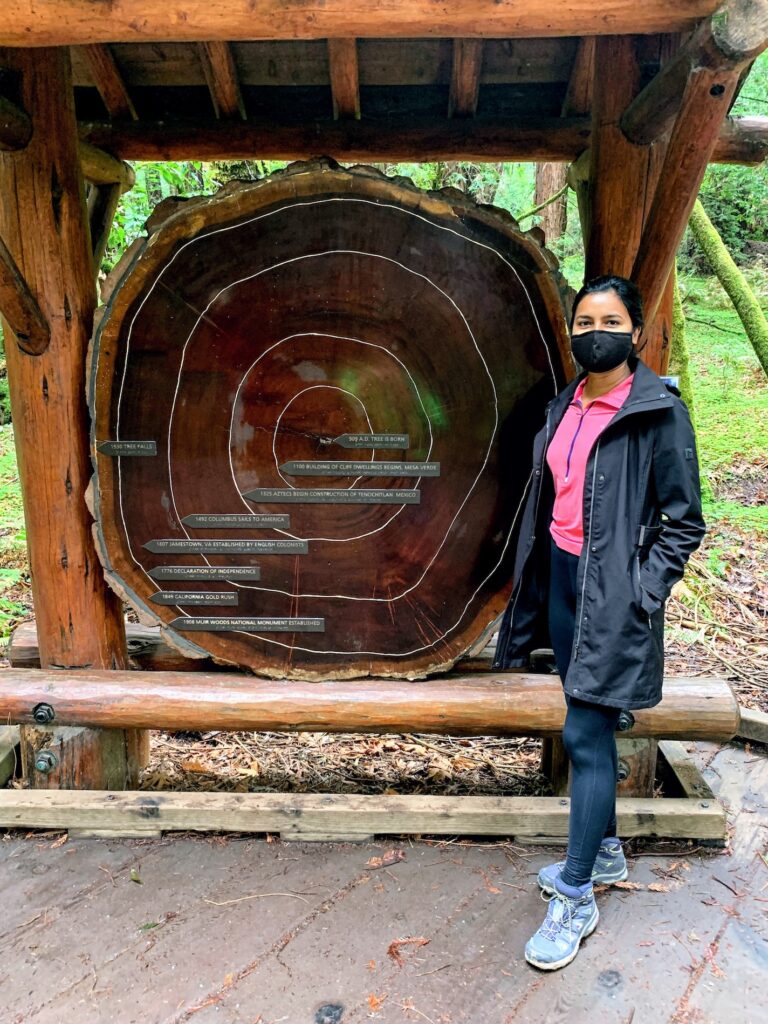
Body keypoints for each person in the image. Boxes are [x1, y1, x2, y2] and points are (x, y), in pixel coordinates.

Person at [492, 274, 706, 971]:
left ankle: (577, 892)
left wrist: (642, 592)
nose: (594, 332)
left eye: (609, 320)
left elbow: (684, 522)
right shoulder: (567, 403)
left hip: (612, 595)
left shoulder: (657, 412)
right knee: (585, 721)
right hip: (561, 580)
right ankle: (606, 853)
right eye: (583, 321)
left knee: (584, 732)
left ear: (637, 332)